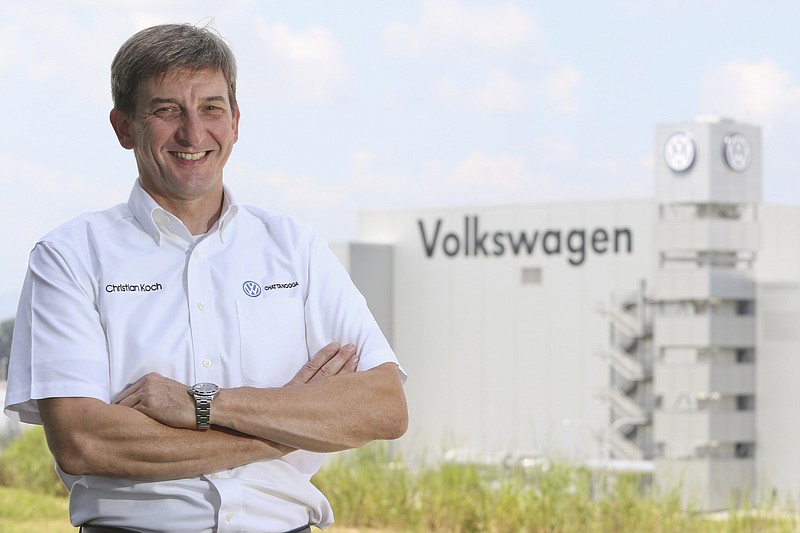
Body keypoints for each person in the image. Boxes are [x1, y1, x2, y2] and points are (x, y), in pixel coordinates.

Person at [3, 23, 408, 533]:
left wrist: (201, 405)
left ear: (235, 122)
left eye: (211, 108)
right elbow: (85, 442)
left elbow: (384, 407)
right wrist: (284, 430)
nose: (193, 133)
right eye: (166, 109)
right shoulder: (67, 258)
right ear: (123, 127)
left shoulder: (295, 249)